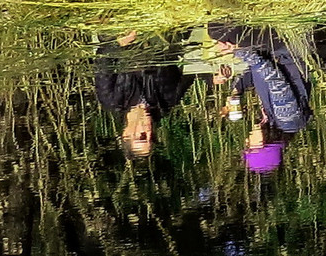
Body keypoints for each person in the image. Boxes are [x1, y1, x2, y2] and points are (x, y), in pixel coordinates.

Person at [209, 23, 313, 175]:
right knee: (218, 30)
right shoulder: (287, 119)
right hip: (288, 46)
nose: (246, 141)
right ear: (263, 144)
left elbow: (256, 72)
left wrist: (235, 91)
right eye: (250, 146)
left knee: (220, 33)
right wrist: (239, 51)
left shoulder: (271, 120)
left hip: (274, 50)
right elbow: (273, 77)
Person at [93, 30, 192, 158]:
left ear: (126, 134)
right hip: (160, 39)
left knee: (106, 35)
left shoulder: (111, 100)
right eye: (153, 137)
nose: (149, 132)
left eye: (142, 136)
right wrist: (212, 77)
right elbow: (191, 74)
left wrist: (118, 44)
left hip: (124, 41)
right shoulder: (166, 102)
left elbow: (102, 62)